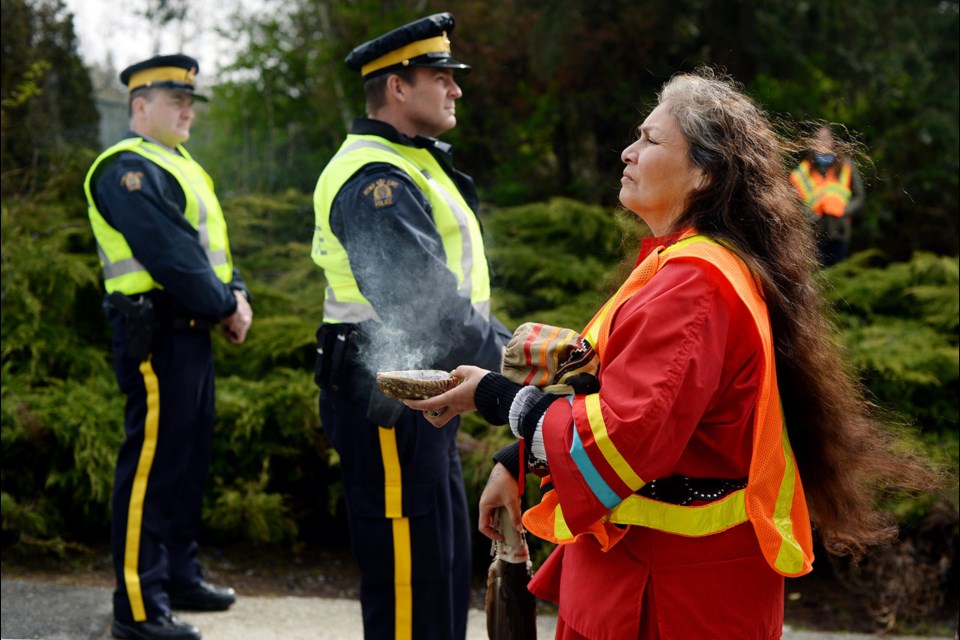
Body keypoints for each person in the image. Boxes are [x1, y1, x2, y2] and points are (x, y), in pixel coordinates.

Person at [407, 69, 936, 639]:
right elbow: (629, 388)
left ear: (706, 173)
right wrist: (518, 460)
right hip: (659, 574)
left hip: (670, 593)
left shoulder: (694, 281)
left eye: (651, 140)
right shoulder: (688, 262)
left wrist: (496, 397)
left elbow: (627, 435)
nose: (628, 153)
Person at [310, 13, 511, 640]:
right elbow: (427, 306)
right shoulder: (376, 180)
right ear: (398, 87)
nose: (456, 89)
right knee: (410, 591)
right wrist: (518, 367)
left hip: (418, 398)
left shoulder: (406, 163)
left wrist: (514, 355)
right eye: (442, 76)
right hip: (389, 402)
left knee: (441, 573)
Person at [84, 54, 253, 640]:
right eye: (176, 101)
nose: (188, 110)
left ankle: (178, 577)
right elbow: (171, 255)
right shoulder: (125, 168)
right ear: (139, 106)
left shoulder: (179, 165)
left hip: (190, 333)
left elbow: (212, 252)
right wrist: (227, 305)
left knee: (185, 465)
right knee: (152, 469)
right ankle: (137, 605)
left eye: (191, 102)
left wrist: (236, 293)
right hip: (155, 334)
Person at [790, 125, 865, 267]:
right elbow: (793, 203)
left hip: (840, 229)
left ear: (833, 141)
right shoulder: (803, 171)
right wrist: (809, 216)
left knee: (839, 272)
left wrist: (844, 211)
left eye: (826, 138)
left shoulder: (846, 165)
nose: (823, 142)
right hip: (814, 232)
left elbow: (859, 196)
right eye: (818, 139)